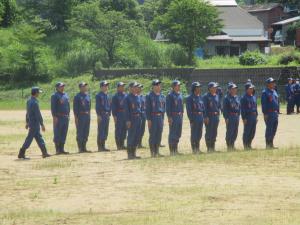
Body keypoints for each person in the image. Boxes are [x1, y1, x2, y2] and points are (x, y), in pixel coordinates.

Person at [18, 87, 51, 159]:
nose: (39, 93)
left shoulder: (29, 101)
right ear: (36, 93)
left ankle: (44, 153)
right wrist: (42, 124)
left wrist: (27, 122)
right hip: (34, 123)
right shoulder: (35, 102)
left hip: (31, 123)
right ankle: (21, 153)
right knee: (29, 139)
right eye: (38, 92)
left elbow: (27, 113)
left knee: (39, 138)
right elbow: (38, 114)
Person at [146, 79, 166, 157]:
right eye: (156, 85)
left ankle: (157, 151)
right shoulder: (149, 96)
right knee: (153, 135)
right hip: (153, 117)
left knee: (159, 134)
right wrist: (149, 120)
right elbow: (147, 109)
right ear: (153, 86)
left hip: (160, 117)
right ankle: (152, 152)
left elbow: (163, 108)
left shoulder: (162, 96)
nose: (158, 86)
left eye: (159, 85)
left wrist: (163, 118)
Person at [186, 82, 205, 154]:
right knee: (194, 133)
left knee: (199, 133)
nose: (199, 88)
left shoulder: (200, 97)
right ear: (194, 88)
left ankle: (198, 148)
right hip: (194, 117)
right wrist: (191, 120)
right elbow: (189, 110)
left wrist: (203, 116)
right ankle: (194, 149)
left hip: (200, 116)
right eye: (198, 87)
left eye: (199, 87)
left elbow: (203, 108)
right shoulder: (190, 98)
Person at [51, 82, 70, 155]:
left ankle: (62, 149)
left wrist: (68, 115)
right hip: (58, 117)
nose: (62, 87)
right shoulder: (54, 96)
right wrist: (54, 116)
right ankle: (57, 150)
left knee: (64, 133)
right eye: (61, 86)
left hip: (65, 117)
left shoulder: (66, 95)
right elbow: (53, 107)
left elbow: (68, 106)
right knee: (57, 133)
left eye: (63, 86)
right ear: (57, 88)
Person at [124, 81, 142, 159]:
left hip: (138, 118)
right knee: (131, 136)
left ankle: (134, 153)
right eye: (134, 87)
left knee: (137, 136)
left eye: (136, 87)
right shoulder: (127, 98)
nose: (136, 88)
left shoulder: (137, 96)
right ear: (130, 88)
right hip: (132, 118)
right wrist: (128, 120)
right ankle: (130, 154)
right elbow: (126, 110)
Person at [166, 80, 184, 156]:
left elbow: (182, 106)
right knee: (173, 133)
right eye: (177, 85)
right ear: (173, 87)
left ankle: (176, 150)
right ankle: (172, 151)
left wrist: (182, 115)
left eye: (179, 85)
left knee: (178, 133)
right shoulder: (170, 95)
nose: (179, 87)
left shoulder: (180, 95)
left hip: (179, 116)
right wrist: (169, 117)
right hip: (173, 116)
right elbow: (168, 107)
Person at [261, 77, 279, 149]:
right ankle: (268, 145)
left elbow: (276, 102)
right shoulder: (265, 92)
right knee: (269, 129)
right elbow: (264, 104)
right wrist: (265, 114)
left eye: (274, 82)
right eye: (272, 82)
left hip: (275, 113)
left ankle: (271, 143)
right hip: (269, 113)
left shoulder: (274, 91)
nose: (273, 84)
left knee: (274, 129)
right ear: (268, 84)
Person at [203, 82, 221, 152]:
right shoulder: (206, 96)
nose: (215, 88)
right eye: (214, 87)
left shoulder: (216, 95)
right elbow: (204, 108)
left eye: (216, 87)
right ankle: (209, 148)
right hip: (209, 116)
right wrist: (205, 117)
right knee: (209, 132)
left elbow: (218, 106)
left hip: (216, 116)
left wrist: (218, 114)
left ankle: (213, 147)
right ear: (210, 88)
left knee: (214, 132)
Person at [73, 82, 91, 153]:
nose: (85, 87)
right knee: (80, 132)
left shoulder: (88, 96)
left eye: (86, 86)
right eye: (83, 86)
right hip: (80, 116)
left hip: (87, 115)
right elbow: (75, 108)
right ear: (80, 88)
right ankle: (80, 148)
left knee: (86, 132)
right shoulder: (77, 96)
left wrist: (89, 116)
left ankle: (84, 147)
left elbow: (89, 107)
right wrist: (76, 118)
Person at [223, 83, 240, 151]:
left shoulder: (237, 97)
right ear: (229, 90)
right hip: (230, 116)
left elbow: (239, 107)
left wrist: (238, 115)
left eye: (235, 88)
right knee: (230, 131)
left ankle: (232, 145)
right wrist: (226, 118)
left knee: (235, 131)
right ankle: (229, 146)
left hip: (236, 116)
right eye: (233, 89)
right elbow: (225, 109)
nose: (234, 90)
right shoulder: (226, 98)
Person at [241, 82, 258, 150]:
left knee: (252, 131)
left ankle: (249, 145)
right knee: (247, 131)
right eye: (250, 88)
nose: (252, 89)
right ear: (247, 89)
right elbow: (242, 109)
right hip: (248, 117)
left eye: (252, 88)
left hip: (253, 116)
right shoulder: (244, 98)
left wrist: (256, 116)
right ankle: (246, 146)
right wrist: (244, 118)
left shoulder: (253, 96)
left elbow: (255, 107)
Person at [96, 80, 111, 152]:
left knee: (105, 130)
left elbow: (109, 105)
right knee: (101, 130)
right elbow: (97, 106)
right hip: (101, 114)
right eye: (105, 85)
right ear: (101, 87)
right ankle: (100, 147)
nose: (106, 87)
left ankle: (103, 146)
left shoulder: (107, 95)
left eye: (107, 85)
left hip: (107, 114)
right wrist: (98, 115)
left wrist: (109, 114)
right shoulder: (99, 95)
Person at [111, 82, 127, 150]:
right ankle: (118, 145)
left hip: (125, 114)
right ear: (118, 88)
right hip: (119, 113)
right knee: (118, 129)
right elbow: (113, 107)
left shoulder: (126, 95)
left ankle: (122, 144)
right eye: (121, 86)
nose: (122, 87)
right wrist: (114, 116)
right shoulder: (115, 96)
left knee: (124, 129)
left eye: (123, 86)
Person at [137, 83, 146, 148]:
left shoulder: (143, 96)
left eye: (141, 88)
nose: (140, 89)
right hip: (138, 115)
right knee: (137, 129)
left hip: (143, 115)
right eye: (139, 87)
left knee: (142, 129)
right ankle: (136, 143)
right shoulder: (135, 96)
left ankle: (140, 143)